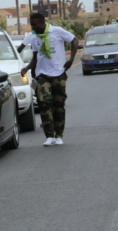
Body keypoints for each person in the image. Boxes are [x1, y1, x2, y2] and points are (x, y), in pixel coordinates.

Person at [19, 12, 78, 146]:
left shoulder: (57, 31)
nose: (33, 27)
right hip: (42, 75)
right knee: (44, 104)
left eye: (34, 25)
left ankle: (59, 135)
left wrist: (71, 60)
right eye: (31, 24)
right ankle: (49, 135)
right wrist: (27, 68)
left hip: (58, 73)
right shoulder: (34, 38)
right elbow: (35, 58)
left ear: (42, 22)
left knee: (59, 105)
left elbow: (74, 41)